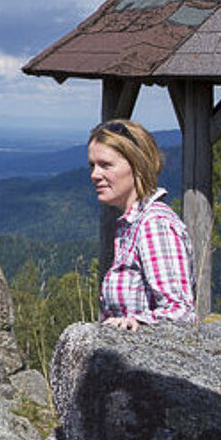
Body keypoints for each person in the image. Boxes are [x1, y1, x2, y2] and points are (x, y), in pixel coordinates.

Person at [87, 119, 196, 330]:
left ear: (137, 165)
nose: (95, 175)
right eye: (92, 165)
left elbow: (180, 311)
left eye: (105, 165)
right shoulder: (132, 225)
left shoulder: (155, 225)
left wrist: (137, 321)